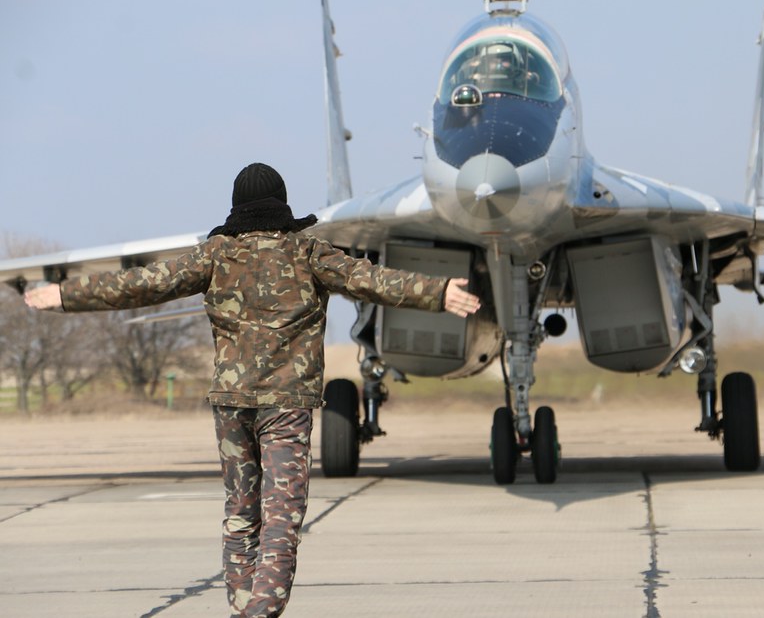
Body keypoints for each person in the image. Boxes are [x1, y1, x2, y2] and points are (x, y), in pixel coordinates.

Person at [24, 162, 480, 618]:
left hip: (231, 405)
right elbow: (375, 281)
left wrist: (66, 295)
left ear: (237, 207)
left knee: (241, 516)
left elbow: (142, 284)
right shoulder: (310, 253)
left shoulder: (215, 254)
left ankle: (244, 608)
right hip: (286, 405)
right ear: (282, 205)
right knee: (281, 519)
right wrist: (437, 292)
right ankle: (258, 613)